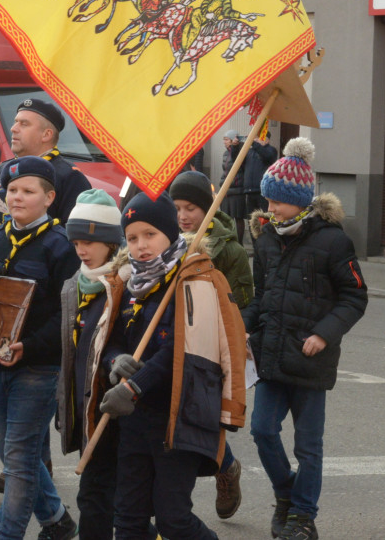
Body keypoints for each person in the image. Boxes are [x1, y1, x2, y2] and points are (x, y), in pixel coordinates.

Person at [243, 138, 367, 540]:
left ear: (300, 199)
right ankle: (286, 493)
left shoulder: (333, 241)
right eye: (268, 199)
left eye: (277, 200)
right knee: (262, 431)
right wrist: (243, 326)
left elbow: (354, 296)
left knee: (308, 447)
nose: (270, 208)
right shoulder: (265, 239)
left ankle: (302, 516)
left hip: (312, 359)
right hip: (272, 356)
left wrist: (323, 334)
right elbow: (262, 298)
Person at [0, 156, 80, 540]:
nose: (17, 198)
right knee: (14, 454)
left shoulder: (61, 246)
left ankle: (5, 535)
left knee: (21, 459)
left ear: (49, 197)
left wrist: (29, 345)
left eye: (28, 191)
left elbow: (67, 314)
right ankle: (57, 520)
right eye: (12, 190)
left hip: (39, 369)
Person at [99, 192, 219, 540]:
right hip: (134, 419)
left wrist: (135, 385)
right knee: (129, 518)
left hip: (177, 418)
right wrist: (115, 362)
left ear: (170, 232)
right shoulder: (130, 282)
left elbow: (181, 349)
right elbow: (116, 338)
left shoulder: (194, 279)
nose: (141, 245)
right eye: (133, 237)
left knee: (173, 520)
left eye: (150, 234)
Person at [168, 170, 252, 519]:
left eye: (191, 207)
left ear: (208, 208)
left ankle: (226, 469)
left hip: (209, 351)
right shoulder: (166, 240)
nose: (184, 215)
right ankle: (171, 506)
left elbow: (243, 301)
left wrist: (238, 337)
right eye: (178, 208)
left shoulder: (230, 250)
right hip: (172, 345)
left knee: (205, 420)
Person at [57, 189, 126, 539]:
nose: (81, 249)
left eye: (89, 241)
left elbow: (120, 343)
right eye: (76, 241)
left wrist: (116, 361)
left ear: (111, 242)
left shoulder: (123, 284)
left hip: (116, 411)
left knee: (104, 499)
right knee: (100, 498)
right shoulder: (74, 284)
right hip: (87, 410)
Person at [0, 98, 92, 251]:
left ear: (46, 135)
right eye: (15, 122)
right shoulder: (1, 170)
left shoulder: (69, 176)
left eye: (24, 124)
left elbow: (77, 233)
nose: (13, 128)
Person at [219, 130, 247, 245]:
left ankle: (239, 243)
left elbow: (240, 167)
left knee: (238, 217)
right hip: (226, 189)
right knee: (227, 218)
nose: (224, 142)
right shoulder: (225, 154)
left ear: (232, 140)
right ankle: (229, 242)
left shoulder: (240, 151)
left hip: (237, 189)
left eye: (226, 139)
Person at [243, 131, 278, 217]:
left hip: (263, 192)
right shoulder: (250, 152)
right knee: (251, 219)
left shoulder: (271, 150)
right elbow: (238, 161)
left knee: (264, 217)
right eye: (256, 138)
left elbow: (267, 156)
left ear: (267, 140)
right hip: (250, 190)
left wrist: (254, 144)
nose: (257, 140)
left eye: (259, 138)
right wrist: (235, 147)